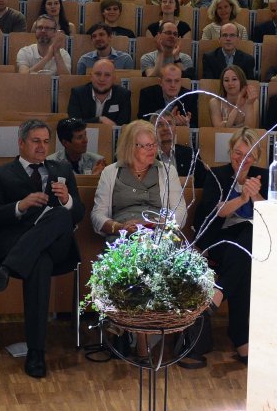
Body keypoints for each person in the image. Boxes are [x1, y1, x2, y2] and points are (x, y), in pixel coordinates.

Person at [0, 119, 84, 378]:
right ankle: (36, 353)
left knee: (61, 216)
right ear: (21, 143)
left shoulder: (61, 169)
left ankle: (6, 269)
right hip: (22, 244)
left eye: (45, 141)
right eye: (35, 141)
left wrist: (67, 200)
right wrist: (20, 205)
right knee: (39, 263)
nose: (41, 147)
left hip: (56, 244)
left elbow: (79, 214)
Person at [192, 127, 266, 366]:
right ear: (230, 151)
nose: (241, 158)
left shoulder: (263, 176)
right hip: (218, 239)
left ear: (256, 158)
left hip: (247, 247)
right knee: (246, 250)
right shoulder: (217, 175)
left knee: (247, 247)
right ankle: (242, 341)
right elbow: (217, 212)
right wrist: (242, 197)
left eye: (248, 155)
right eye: (237, 152)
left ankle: (219, 292)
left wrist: (255, 195)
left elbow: (272, 216)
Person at [91, 120, 188, 241]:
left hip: (159, 233)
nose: (152, 150)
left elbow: (181, 212)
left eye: (154, 144)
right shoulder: (110, 172)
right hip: (122, 235)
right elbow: (97, 214)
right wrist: (120, 228)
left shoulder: (168, 171)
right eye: (146, 145)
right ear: (130, 147)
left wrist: (155, 223)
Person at [67, 59, 131, 126]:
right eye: (98, 74)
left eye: (107, 75)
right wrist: (99, 120)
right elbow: (73, 122)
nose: (102, 79)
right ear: (91, 76)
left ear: (114, 78)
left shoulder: (123, 95)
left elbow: (123, 125)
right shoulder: (78, 93)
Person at [137, 62, 197, 127]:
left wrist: (187, 125)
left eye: (177, 81)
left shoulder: (190, 96)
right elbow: (143, 123)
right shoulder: (147, 94)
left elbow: (195, 126)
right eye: (168, 81)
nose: (173, 85)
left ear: (181, 82)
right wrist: (170, 121)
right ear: (160, 82)